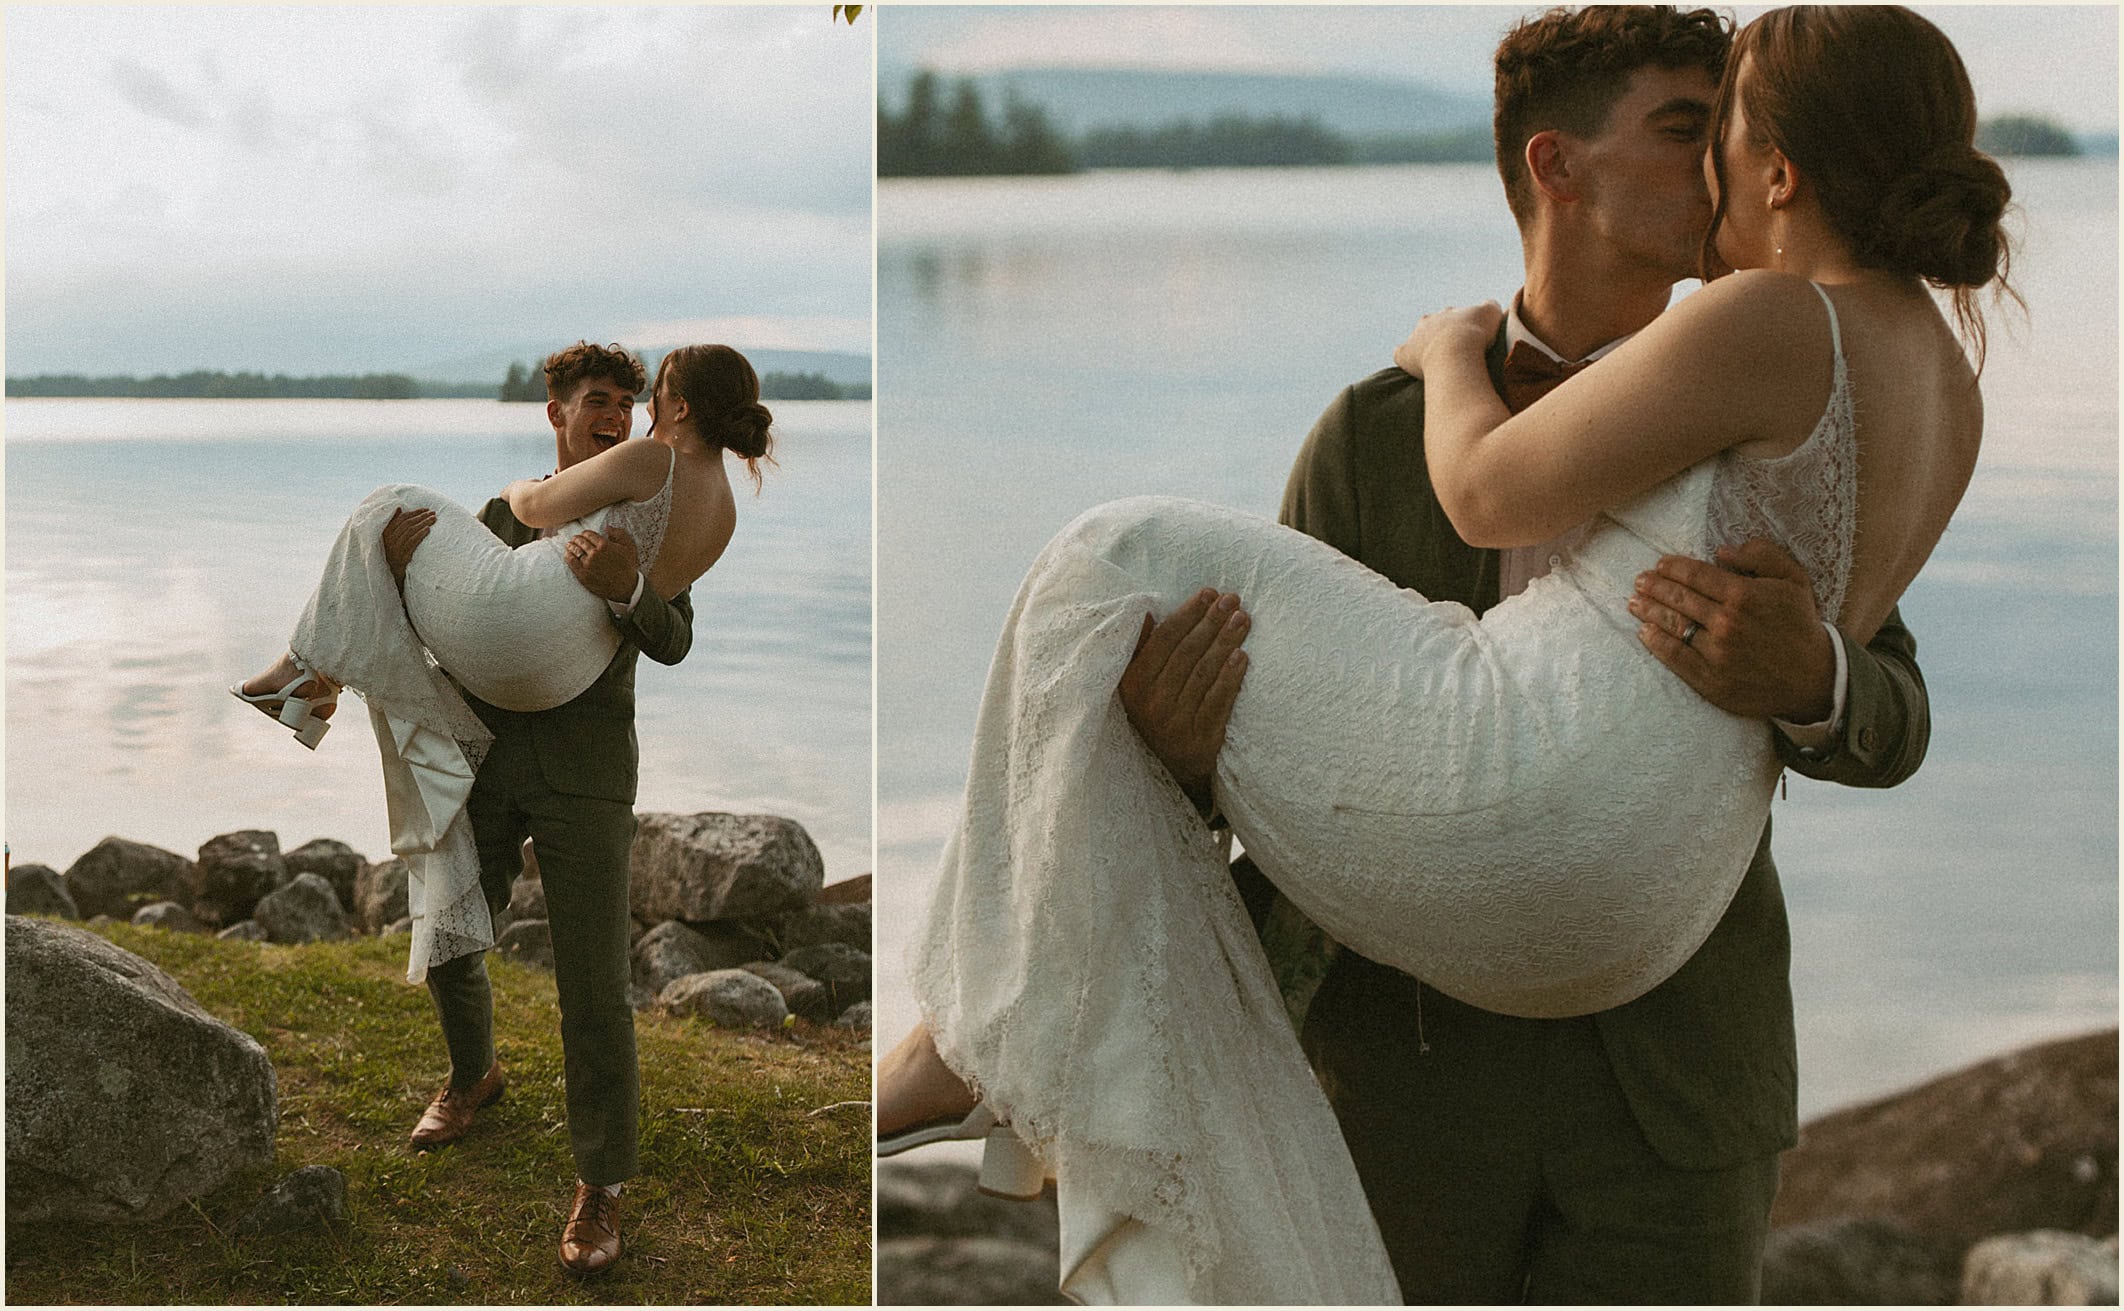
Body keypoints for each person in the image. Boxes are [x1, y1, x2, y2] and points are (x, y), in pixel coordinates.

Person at [882, 5, 2008, 1302]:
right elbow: (1279, 733)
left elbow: (1892, 704)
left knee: (1105, 557)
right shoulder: (1373, 436)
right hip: (1415, 1086)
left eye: (1722, 132)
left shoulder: (1765, 357)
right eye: (1679, 129)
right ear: (1555, 165)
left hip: (1672, 1086)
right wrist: (1188, 757)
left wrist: (1812, 673)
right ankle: (1004, 1025)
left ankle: (979, 1026)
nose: (1706, 175)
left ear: (1780, 166)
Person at [231, 340, 773, 1272]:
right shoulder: (490, 518)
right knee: (448, 924)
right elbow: (434, 625)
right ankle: (472, 1072)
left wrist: (630, 589)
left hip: (587, 770)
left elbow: (675, 634)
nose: (616, 416)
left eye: (628, 402)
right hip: (480, 754)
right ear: (556, 413)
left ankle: (600, 1186)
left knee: (597, 984)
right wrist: (389, 573)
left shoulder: (650, 498)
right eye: (598, 401)